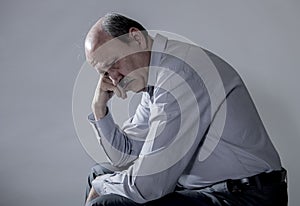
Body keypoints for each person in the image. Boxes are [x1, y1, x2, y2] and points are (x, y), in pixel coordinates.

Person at [83, 12, 288, 206]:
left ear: (137, 38)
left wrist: (102, 185)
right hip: (211, 189)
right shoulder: (155, 77)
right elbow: (125, 156)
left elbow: (148, 186)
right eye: (105, 73)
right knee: (98, 173)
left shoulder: (179, 74)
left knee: (106, 201)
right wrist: (100, 110)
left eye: (114, 63)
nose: (114, 79)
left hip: (247, 196)